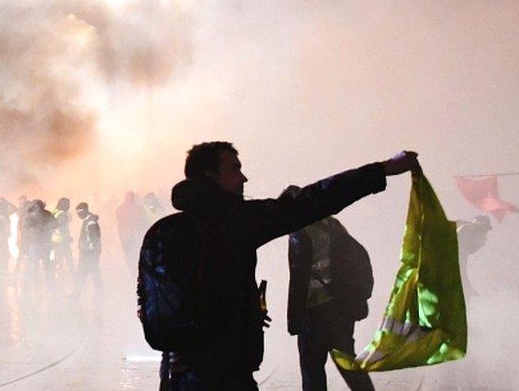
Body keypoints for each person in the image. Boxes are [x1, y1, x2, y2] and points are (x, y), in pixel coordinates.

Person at [138, 141, 418, 390]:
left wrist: (176, 349)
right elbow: (311, 202)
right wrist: (382, 169)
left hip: (180, 377)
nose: (243, 178)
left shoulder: (159, 233)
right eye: (234, 169)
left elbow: (149, 302)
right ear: (211, 176)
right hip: (227, 375)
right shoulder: (234, 223)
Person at [288, 214, 375, 391]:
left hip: (313, 313)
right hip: (340, 312)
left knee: (312, 372)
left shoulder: (299, 235)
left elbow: (298, 281)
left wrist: (294, 319)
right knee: (349, 365)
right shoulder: (334, 228)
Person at [456, 215, 492, 296]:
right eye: (483, 235)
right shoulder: (458, 245)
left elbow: (462, 277)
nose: (485, 241)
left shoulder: (462, 250)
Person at [72, 202, 102, 299]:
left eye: (80, 212)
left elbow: (95, 239)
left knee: (87, 272)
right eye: (77, 213)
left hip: (89, 252)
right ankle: (78, 293)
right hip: (87, 251)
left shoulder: (90, 222)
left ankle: (77, 293)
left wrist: (95, 254)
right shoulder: (88, 220)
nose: (78, 215)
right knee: (90, 272)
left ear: (85, 210)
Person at [51, 197, 74, 275]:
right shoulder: (62, 214)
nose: (69, 206)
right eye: (68, 204)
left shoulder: (55, 212)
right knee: (68, 258)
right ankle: (74, 276)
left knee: (58, 258)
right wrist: (67, 238)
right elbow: (63, 228)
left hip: (54, 239)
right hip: (62, 240)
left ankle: (51, 272)